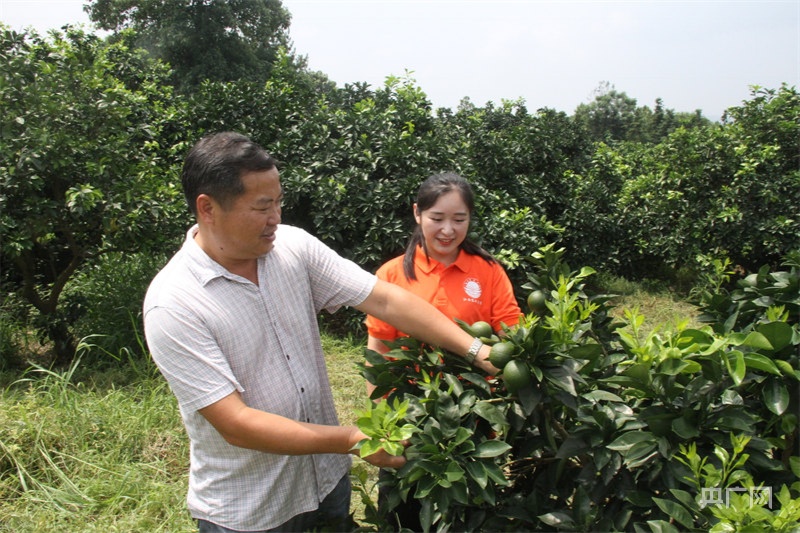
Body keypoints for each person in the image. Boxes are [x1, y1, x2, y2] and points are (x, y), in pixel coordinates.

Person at [142, 132, 498, 533]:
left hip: (326, 483)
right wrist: (352, 438)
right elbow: (235, 423)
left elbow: (385, 300)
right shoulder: (174, 303)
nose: (276, 216)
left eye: (278, 201)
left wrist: (475, 349)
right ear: (207, 208)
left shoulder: (293, 249)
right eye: (262, 206)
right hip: (252, 509)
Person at [364, 172, 522, 531]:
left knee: (468, 512)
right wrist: (380, 416)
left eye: (459, 219)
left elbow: (511, 334)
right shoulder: (391, 275)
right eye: (437, 218)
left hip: (473, 413)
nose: (447, 230)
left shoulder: (488, 272)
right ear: (417, 213)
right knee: (405, 512)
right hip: (408, 412)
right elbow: (379, 347)